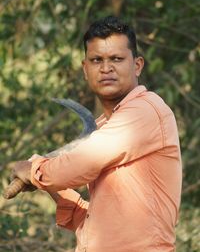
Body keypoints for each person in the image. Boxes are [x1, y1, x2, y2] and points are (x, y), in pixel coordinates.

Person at [13, 16, 182, 252]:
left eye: (116, 59)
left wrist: (34, 170)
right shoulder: (105, 127)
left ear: (137, 65)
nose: (105, 68)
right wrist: (46, 181)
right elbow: (96, 223)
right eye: (96, 60)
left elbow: (81, 165)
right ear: (85, 68)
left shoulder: (146, 111)